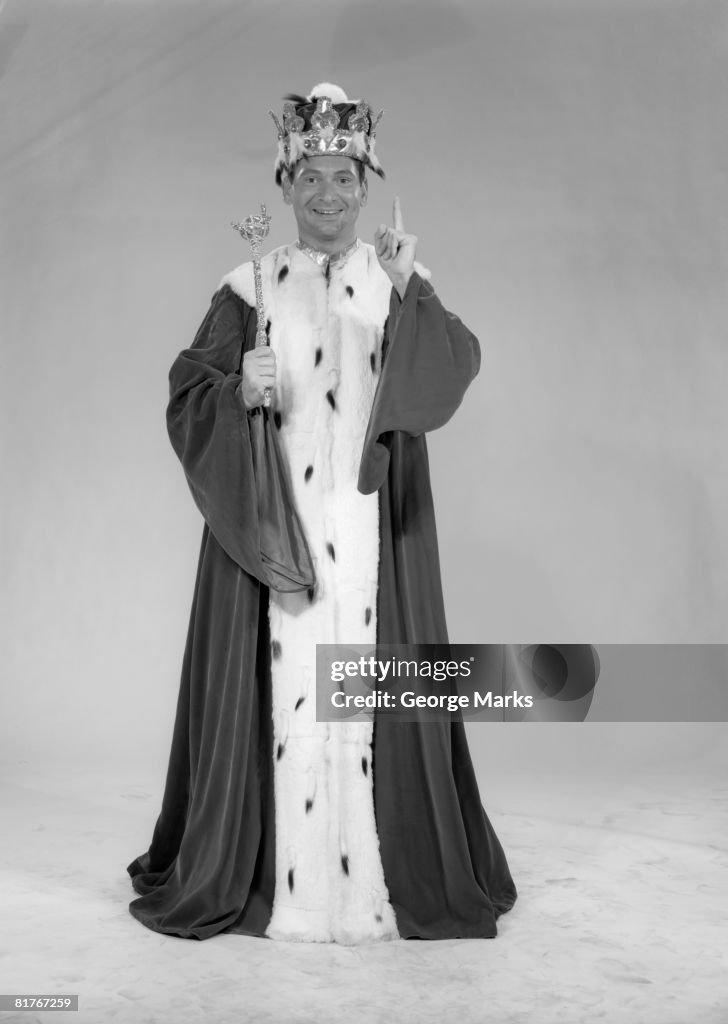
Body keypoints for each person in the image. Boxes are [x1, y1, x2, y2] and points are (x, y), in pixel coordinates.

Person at [127, 83, 517, 943]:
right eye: (312, 179)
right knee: (275, 688)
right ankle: (270, 871)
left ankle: (385, 863)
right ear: (287, 186)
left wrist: (411, 282)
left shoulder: (396, 285)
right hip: (277, 535)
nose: (329, 195)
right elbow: (188, 395)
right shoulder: (249, 287)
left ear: (366, 184)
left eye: (344, 177)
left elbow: (453, 370)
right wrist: (239, 390)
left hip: (376, 531)